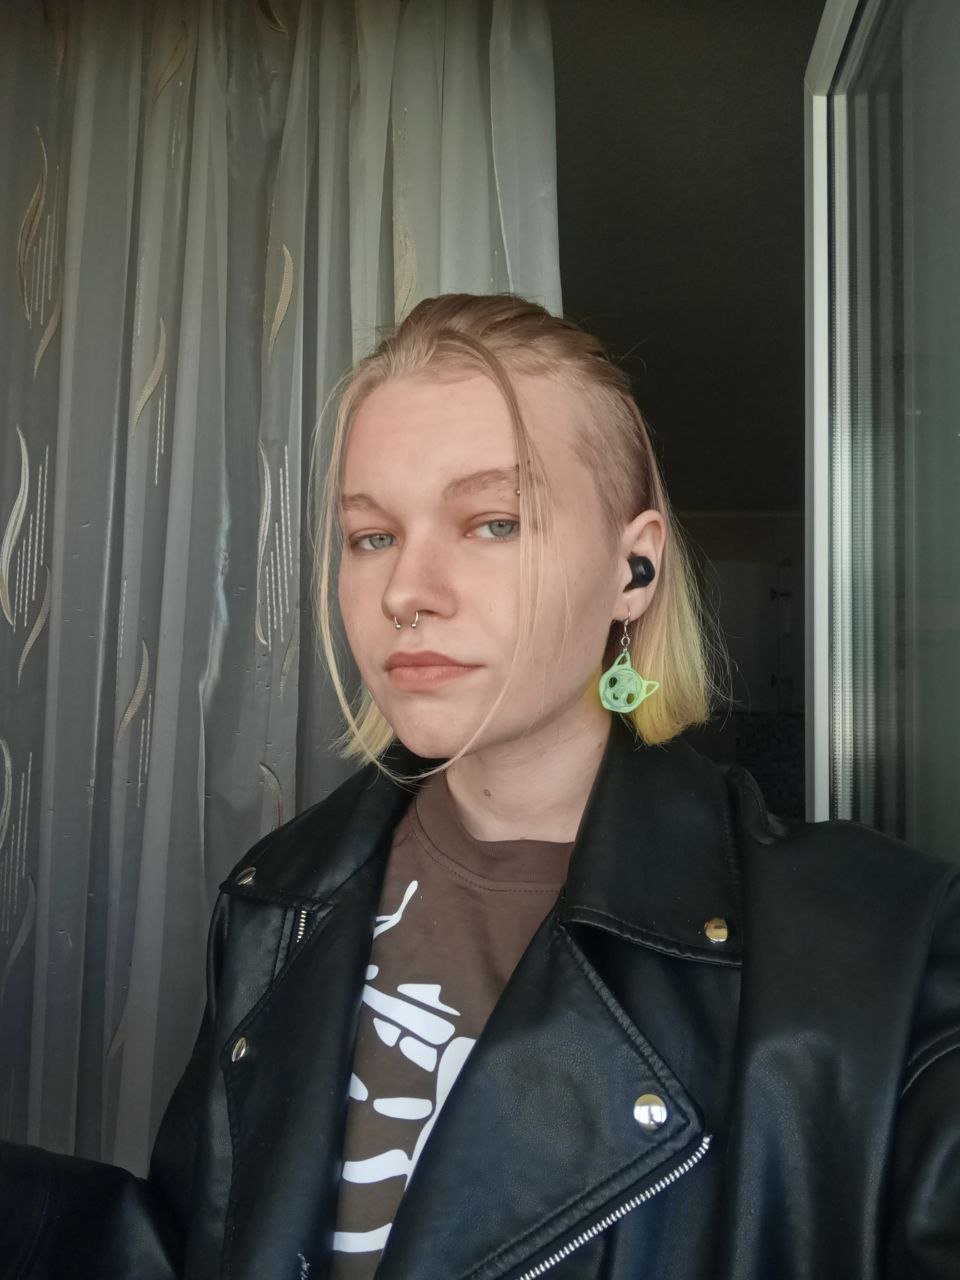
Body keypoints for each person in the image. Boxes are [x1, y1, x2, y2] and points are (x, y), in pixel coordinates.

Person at [2, 293, 959, 1280]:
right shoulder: (281, 895)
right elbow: (195, 1243)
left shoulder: (878, 948)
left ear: (633, 568)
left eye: (492, 522)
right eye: (371, 535)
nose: (407, 591)